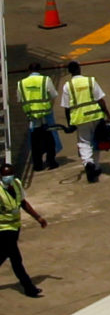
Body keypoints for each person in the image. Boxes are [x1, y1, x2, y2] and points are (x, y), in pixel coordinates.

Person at [0, 157, 46, 297]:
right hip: (3, 229)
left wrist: (38, 217)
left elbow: (23, 203)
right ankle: (29, 287)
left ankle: (28, 286)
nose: (9, 177)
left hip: (15, 227)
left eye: (11, 174)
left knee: (3, 254)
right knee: (16, 258)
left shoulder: (17, 184)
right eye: (6, 175)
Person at [61, 68, 110, 183]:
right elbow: (100, 100)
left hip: (80, 118)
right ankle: (96, 166)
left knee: (84, 142)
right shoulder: (90, 81)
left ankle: (88, 163)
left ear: (70, 71)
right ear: (79, 69)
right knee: (97, 140)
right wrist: (108, 115)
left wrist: (70, 124)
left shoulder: (67, 86)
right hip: (96, 115)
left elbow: (66, 107)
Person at [16, 65, 55, 173]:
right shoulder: (45, 80)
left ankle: (38, 165)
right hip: (45, 116)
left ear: (29, 71)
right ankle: (51, 162)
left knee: (35, 142)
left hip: (32, 117)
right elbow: (53, 94)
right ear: (39, 70)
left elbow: (19, 99)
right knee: (49, 140)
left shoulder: (21, 83)